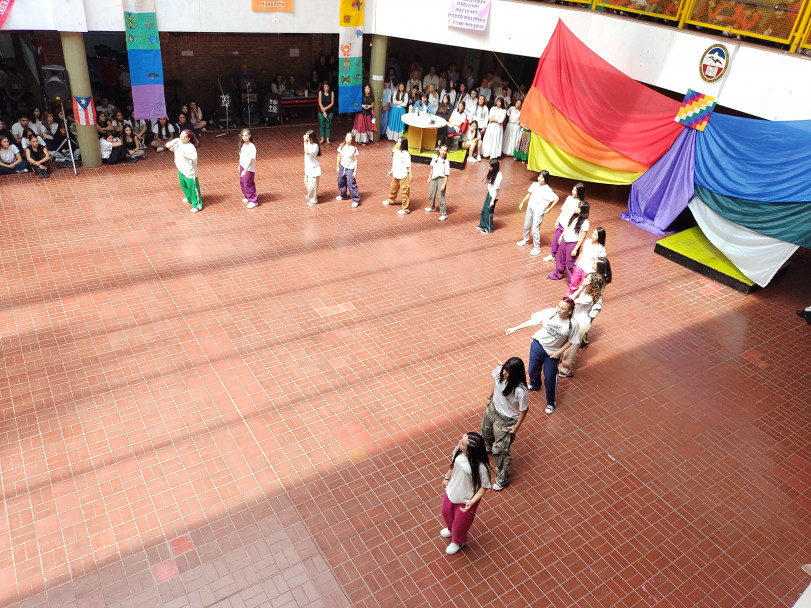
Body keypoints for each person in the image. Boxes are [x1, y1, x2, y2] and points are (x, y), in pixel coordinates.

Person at [505, 298, 579, 414]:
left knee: (550, 377)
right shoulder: (551, 312)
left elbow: (572, 341)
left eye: (562, 308)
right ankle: (534, 384)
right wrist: (515, 328)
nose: (558, 310)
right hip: (537, 345)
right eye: (558, 306)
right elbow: (533, 322)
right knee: (532, 369)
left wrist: (558, 353)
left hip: (553, 353)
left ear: (570, 311)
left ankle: (551, 402)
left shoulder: (573, 324)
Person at [480, 358, 529, 491]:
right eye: (505, 370)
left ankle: (503, 478)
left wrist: (516, 426)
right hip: (493, 410)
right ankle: (487, 448)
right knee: (485, 432)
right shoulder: (500, 372)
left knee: (500, 450)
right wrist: (489, 397)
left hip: (507, 420)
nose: (504, 374)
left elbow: (524, 410)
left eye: (508, 372)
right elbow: (495, 383)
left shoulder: (520, 390)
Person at [439, 431, 492, 555]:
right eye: (461, 440)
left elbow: (484, 488)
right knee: (446, 512)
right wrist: (447, 477)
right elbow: (452, 465)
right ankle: (451, 530)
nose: (459, 443)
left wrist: (472, 502)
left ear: (471, 450)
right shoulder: (459, 450)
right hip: (452, 491)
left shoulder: (482, 467)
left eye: (462, 443)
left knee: (460, 524)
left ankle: (458, 541)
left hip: (467, 499)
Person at [559, 273, 606, 378]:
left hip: (580, 325)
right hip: (577, 321)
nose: (584, 280)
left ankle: (568, 370)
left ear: (592, 284)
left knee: (571, 348)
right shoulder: (589, 292)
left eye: (587, 279)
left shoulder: (589, 297)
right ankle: (562, 359)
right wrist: (582, 288)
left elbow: (570, 301)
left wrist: (580, 288)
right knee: (566, 342)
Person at [516, 170, 560, 256]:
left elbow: (556, 199)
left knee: (536, 229)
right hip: (530, 207)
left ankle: (537, 247)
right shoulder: (534, 184)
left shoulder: (547, 189)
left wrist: (549, 209)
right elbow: (529, 194)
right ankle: (525, 240)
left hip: (539, 211)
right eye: (539, 176)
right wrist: (522, 202)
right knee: (527, 225)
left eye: (542, 177)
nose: (540, 179)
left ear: (546, 179)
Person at [549, 200, 590, 281]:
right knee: (560, 258)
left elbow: (582, 237)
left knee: (569, 263)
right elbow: (568, 226)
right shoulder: (574, 216)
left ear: (583, 210)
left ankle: (572, 281)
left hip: (573, 243)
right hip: (565, 240)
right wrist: (561, 236)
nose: (576, 208)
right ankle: (557, 274)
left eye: (578, 207)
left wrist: (575, 249)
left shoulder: (585, 222)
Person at [544, 183, 585, 262]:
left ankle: (564, 259)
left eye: (576, 191)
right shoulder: (569, 198)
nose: (573, 192)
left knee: (565, 244)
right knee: (555, 241)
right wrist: (557, 220)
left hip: (570, 227)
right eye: (573, 189)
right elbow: (563, 210)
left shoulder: (581, 204)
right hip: (562, 223)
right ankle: (552, 255)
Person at [166, 129, 202, 213]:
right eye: (181, 135)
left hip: (189, 171)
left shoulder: (191, 147)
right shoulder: (178, 141)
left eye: (184, 137)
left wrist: (185, 155)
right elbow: (167, 145)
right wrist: (173, 143)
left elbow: (194, 158)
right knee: (184, 185)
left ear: (189, 138)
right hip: (181, 169)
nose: (182, 138)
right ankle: (189, 198)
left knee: (192, 188)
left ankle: (197, 205)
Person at [567, 228, 607, 296]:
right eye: (593, 233)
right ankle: (569, 297)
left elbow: (598, 264)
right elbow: (582, 253)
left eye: (595, 235)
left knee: (584, 287)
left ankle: (581, 301)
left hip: (588, 271)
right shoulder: (587, 241)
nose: (592, 235)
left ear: (600, 237)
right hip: (580, 266)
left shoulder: (601, 250)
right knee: (573, 283)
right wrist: (577, 262)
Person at [383, 136, 411, 215]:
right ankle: (391, 200)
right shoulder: (395, 152)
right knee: (393, 188)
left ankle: (405, 209)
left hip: (403, 175)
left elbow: (408, 166)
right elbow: (395, 163)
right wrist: (391, 171)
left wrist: (410, 175)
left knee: (404, 192)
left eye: (399, 142)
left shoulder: (406, 154)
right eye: (398, 141)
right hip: (396, 174)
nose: (398, 143)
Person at [424, 144, 451, 221]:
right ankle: (432, 207)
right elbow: (432, 169)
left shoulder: (446, 162)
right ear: (439, 150)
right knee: (431, 194)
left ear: (446, 152)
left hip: (441, 179)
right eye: (442, 150)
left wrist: (444, 184)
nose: (443, 152)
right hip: (434, 178)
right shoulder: (435, 158)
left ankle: (444, 214)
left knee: (441, 197)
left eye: (445, 151)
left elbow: (446, 175)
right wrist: (429, 177)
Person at [477, 159, 502, 234]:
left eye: (490, 166)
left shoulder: (499, 175)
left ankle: (489, 228)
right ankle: (483, 224)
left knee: (489, 211)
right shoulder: (493, 173)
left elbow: (497, 189)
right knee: (484, 209)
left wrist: (492, 200)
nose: (489, 167)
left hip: (493, 195)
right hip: (490, 193)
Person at [336, 132, 360, 208]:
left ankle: (356, 199)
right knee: (340, 181)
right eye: (347, 137)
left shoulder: (354, 148)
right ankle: (343, 194)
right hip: (343, 166)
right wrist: (337, 166)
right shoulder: (341, 146)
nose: (347, 139)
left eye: (349, 137)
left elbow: (355, 160)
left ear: (352, 139)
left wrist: (355, 171)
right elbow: (339, 156)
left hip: (350, 168)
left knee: (351, 183)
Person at [238, 128, 258, 208]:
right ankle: (247, 195)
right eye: (243, 136)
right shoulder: (243, 145)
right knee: (242, 182)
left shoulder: (251, 147)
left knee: (248, 183)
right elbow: (241, 157)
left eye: (246, 135)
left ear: (250, 136)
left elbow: (250, 159)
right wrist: (239, 166)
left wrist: (245, 170)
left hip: (249, 169)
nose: (244, 137)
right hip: (243, 166)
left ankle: (253, 200)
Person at [303, 129, 321, 206]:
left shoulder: (315, 146)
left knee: (312, 184)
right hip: (308, 168)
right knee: (306, 181)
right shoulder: (309, 143)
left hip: (314, 169)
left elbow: (306, 152)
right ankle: (311, 194)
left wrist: (305, 142)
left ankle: (314, 199)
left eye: (307, 136)